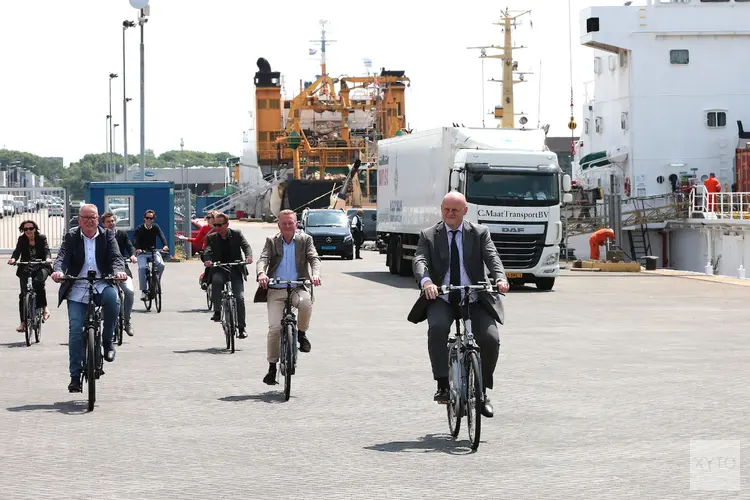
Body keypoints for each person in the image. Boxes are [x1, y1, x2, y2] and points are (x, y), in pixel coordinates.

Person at [408, 191, 509, 419]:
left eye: (455, 210)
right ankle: (443, 384)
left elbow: (492, 257)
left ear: (465, 211)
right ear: (441, 209)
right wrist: (427, 282)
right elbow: (420, 259)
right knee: (437, 329)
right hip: (442, 297)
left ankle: (482, 393)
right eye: (446, 209)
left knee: (490, 339)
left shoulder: (480, 233)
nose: (450, 214)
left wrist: (500, 278)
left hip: (474, 297)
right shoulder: (429, 235)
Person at [51, 203, 127, 393]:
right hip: (77, 285)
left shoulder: (108, 235)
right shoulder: (72, 236)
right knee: (76, 330)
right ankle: (75, 376)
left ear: (97, 218)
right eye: (85, 218)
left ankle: (108, 341)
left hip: (101, 283)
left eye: (93, 218)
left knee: (113, 300)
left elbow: (116, 257)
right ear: (79, 220)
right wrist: (58, 271)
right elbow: (62, 256)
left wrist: (118, 271)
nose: (89, 222)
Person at [254, 209, 322, 385]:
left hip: (298, 286)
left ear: (296, 223)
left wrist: (315, 275)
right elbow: (263, 259)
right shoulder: (271, 241)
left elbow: (314, 258)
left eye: (290, 222)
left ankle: (301, 334)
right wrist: (261, 273)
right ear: (278, 224)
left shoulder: (305, 240)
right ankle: (271, 367)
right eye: (283, 223)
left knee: (306, 304)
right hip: (276, 289)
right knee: (274, 329)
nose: (287, 226)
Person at [202, 212, 254, 338]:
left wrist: (248, 257)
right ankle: (218, 311)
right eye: (215, 225)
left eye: (220, 225)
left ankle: (241, 328)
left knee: (239, 298)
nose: (217, 228)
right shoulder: (211, 237)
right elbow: (207, 250)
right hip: (219, 268)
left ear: (227, 224)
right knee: (216, 281)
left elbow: (246, 246)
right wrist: (208, 260)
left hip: (235, 269)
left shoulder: (237, 234)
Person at [7, 220, 52, 332]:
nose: (28, 231)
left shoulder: (41, 238)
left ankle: (45, 308)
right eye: (25, 229)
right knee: (23, 294)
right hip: (26, 266)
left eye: (30, 228)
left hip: (41, 265)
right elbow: (17, 251)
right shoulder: (22, 239)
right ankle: (23, 322)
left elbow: (46, 250)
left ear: (35, 229)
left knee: (38, 283)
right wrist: (13, 259)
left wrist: (47, 259)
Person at [101, 211, 137, 336]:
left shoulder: (121, 234)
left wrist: (132, 255)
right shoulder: (100, 236)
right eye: (108, 222)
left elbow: (129, 246)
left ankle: (127, 322)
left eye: (112, 221)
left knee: (129, 292)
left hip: (122, 270)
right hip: (105, 272)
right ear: (103, 224)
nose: (111, 224)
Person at [133, 209, 169, 301]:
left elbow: (161, 236)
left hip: (153, 251)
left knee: (161, 265)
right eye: (147, 218)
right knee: (142, 268)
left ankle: (156, 283)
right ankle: (144, 291)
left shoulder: (155, 227)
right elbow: (135, 240)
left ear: (153, 219)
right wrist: (138, 248)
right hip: (142, 253)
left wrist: (165, 245)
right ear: (144, 218)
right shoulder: (140, 228)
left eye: (151, 218)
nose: (149, 220)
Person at [178, 211, 216, 290]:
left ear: (214, 218)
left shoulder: (219, 228)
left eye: (209, 218)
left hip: (218, 252)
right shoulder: (205, 228)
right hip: (206, 252)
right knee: (210, 264)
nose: (207, 219)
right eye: (207, 218)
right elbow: (197, 240)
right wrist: (186, 238)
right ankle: (205, 281)